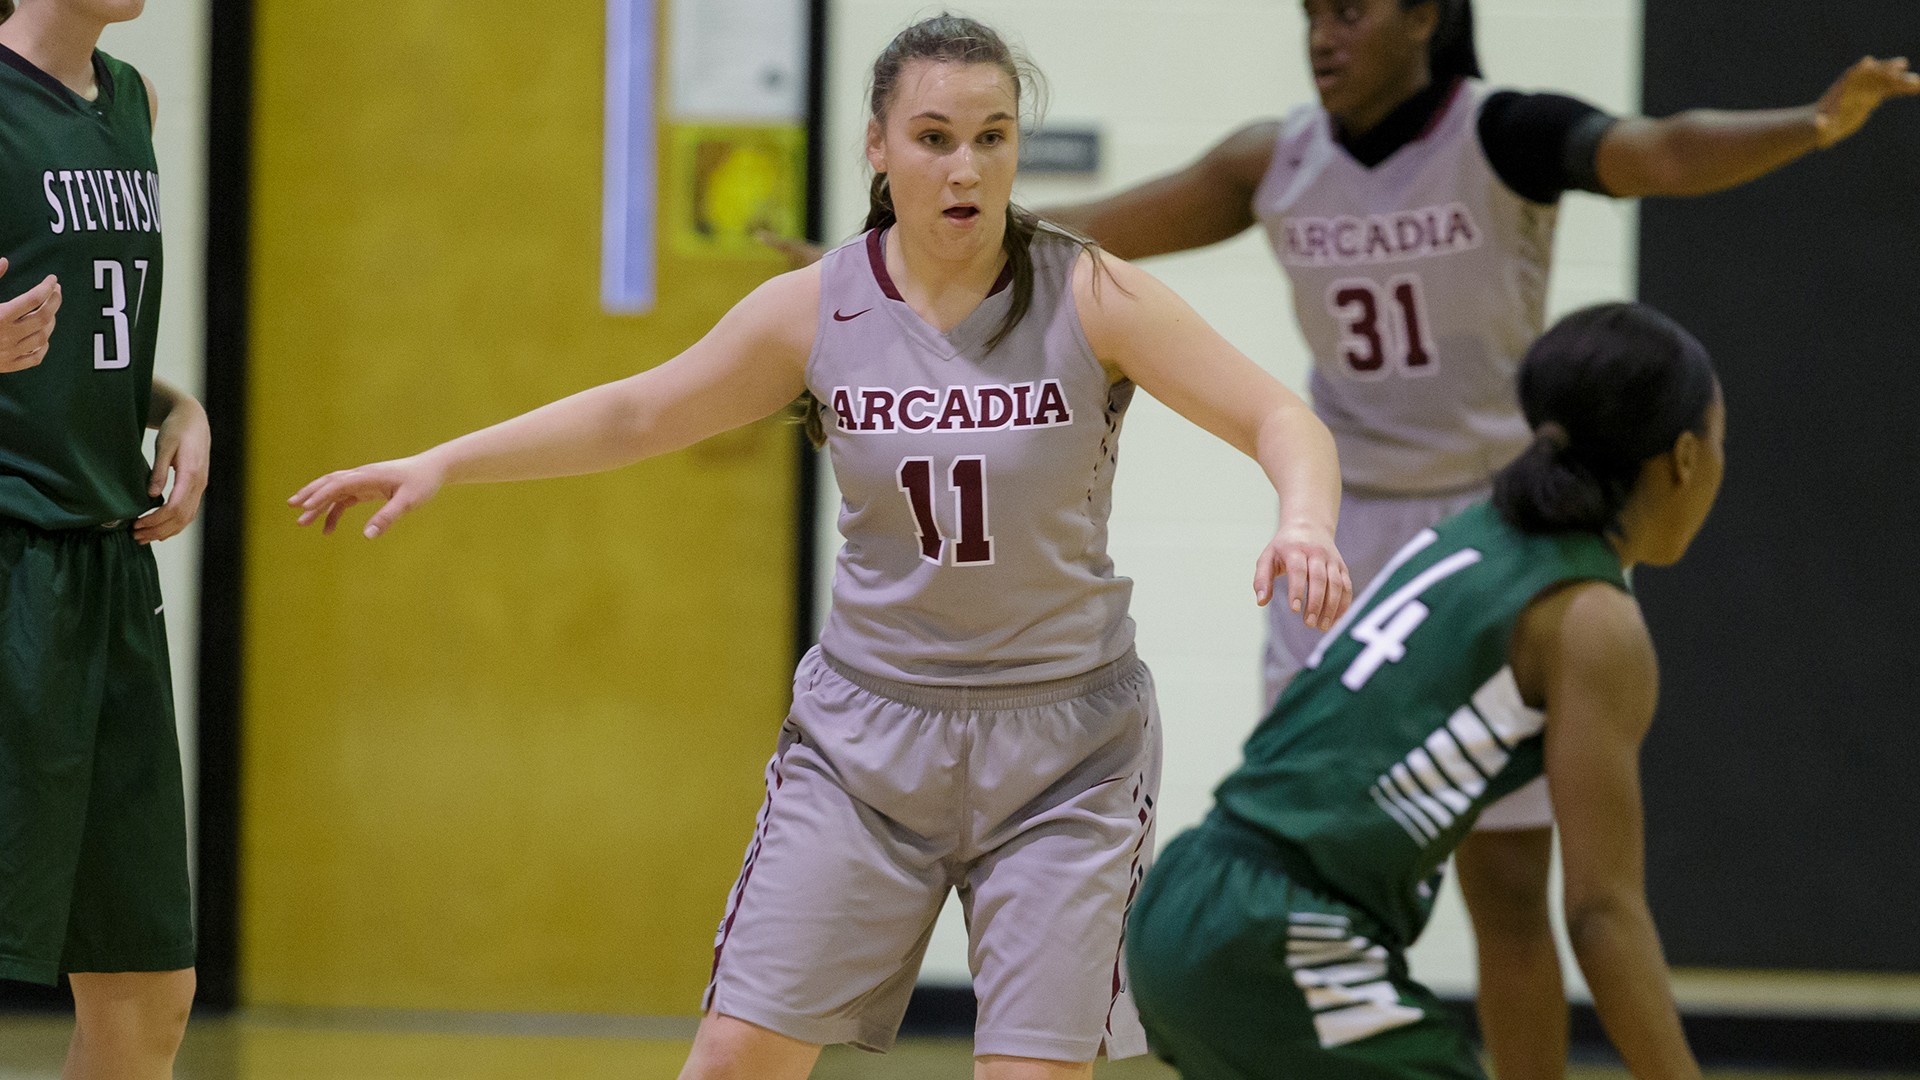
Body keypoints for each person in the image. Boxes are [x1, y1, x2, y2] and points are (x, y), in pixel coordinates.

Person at [290, 15, 1351, 1079]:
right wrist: (444, 462)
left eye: (994, 135)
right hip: (868, 741)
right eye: (935, 137)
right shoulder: (818, 306)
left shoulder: (1088, 291)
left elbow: (1279, 417)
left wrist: (1302, 517)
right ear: (879, 150)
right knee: (733, 1059)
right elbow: (635, 415)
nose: (967, 165)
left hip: (1066, 750)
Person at [1033, 4, 1917, 1072]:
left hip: (1499, 516)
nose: (1323, 35)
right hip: (1345, 526)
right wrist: (901, 256)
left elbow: (1665, 148)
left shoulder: (1504, 133)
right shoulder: (1276, 157)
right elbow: (1093, 228)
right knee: (1304, 811)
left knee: (1511, 889)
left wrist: (1814, 122)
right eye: (1312, 14)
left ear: (1426, 16)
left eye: (1350, 11)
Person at [1125, 301, 1725, 1080]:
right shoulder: (1593, 619)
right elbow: (1602, 913)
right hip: (1279, 933)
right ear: (1684, 457)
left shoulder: (1478, 535)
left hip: (1188, 896)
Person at [0, 1, 210, 1078]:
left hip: (107, 565)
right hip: (11, 562)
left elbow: (95, 329)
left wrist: (177, 408)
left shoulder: (130, 97)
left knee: (148, 991)